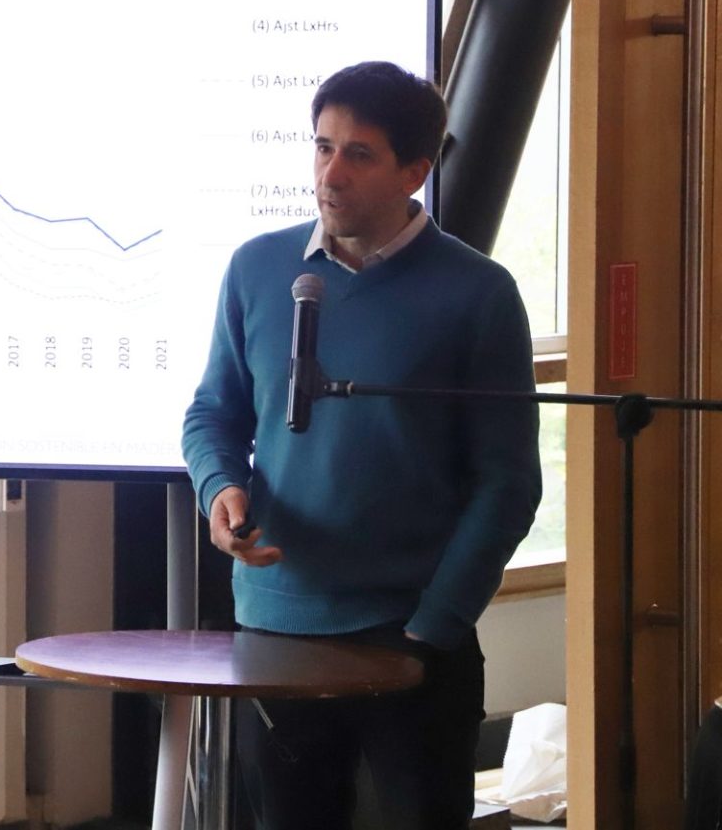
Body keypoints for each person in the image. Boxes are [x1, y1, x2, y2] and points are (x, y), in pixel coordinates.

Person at [181, 60, 541, 830]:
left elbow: (508, 482)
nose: (330, 173)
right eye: (322, 146)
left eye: (358, 154)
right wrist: (221, 489)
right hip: (276, 628)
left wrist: (434, 624)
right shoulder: (257, 268)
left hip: (410, 636)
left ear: (416, 170)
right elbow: (212, 413)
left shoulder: (478, 294)